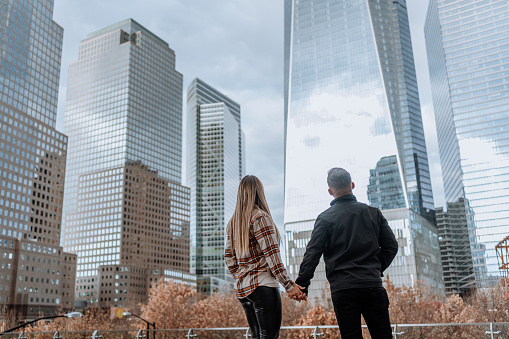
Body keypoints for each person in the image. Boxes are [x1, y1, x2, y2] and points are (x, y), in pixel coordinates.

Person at [292, 168, 398, 339]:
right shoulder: (373, 213)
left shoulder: (325, 218)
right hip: (372, 284)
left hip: (343, 289)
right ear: (352, 185)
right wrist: (376, 268)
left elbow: (313, 253)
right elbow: (391, 246)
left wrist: (302, 284)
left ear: (330, 191)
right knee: (383, 335)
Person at [225, 175, 305, 339]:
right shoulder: (260, 217)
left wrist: (242, 276)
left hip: (244, 290)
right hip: (263, 286)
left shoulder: (233, 223)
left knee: (256, 336)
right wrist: (289, 286)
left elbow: (229, 259)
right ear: (259, 192)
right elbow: (273, 257)